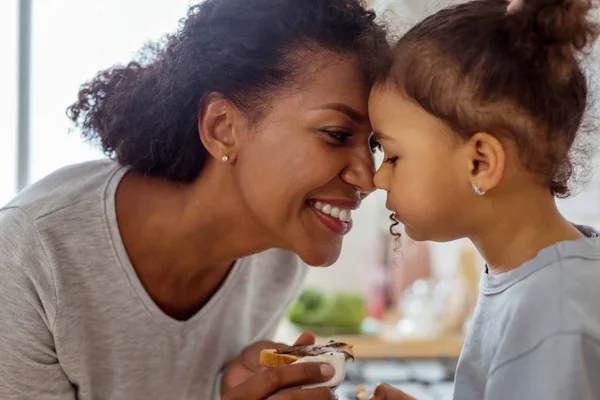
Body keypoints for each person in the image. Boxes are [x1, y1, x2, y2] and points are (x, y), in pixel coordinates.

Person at [0, 0, 390, 399]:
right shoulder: (30, 256)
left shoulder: (279, 253)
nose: (369, 177)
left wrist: (226, 388)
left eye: (375, 144)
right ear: (222, 127)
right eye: (337, 134)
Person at [368, 0, 600, 399]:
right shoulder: (538, 283)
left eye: (392, 156)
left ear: (480, 162)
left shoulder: (553, 315)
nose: (377, 178)